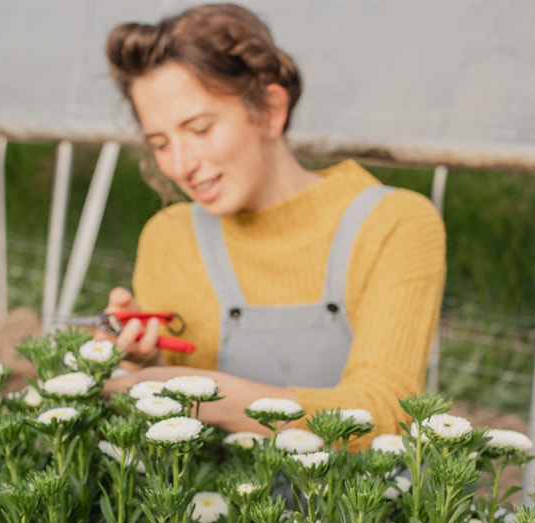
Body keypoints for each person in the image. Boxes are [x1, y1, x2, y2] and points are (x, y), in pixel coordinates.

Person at [101, 3, 445, 441]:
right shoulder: (168, 236)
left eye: (200, 128)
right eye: (160, 143)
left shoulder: (393, 224)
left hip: (356, 506)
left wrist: (206, 396)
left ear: (269, 110)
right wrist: (148, 365)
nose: (181, 164)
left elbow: (386, 415)